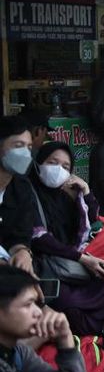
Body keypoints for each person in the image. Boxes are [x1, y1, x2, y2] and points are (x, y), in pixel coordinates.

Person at [29, 143, 104, 335]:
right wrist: (81, 258)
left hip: (75, 264)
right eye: (52, 162)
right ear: (39, 163)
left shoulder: (66, 195)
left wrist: (86, 193)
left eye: (65, 167)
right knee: (68, 304)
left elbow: (92, 224)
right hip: (48, 267)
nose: (58, 169)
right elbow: (40, 239)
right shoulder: (28, 193)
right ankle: (85, 335)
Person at [0, 117, 40, 278]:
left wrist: (23, 252)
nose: (25, 153)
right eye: (18, 146)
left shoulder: (22, 188)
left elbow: (20, 235)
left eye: (29, 147)